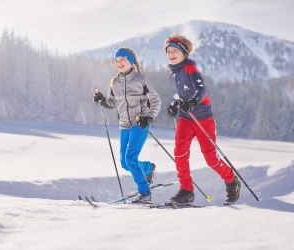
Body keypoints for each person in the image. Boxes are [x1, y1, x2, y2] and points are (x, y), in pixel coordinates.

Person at [164, 34, 241, 206]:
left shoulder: (190, 68)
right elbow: (180, 95)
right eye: (168, 51)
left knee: (211, 158)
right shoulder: (172, 74)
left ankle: (232, 180)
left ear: (184, 52)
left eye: (174, 50)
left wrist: (192, 102)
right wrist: (174, 105)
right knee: (179, 153)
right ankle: (186, 191)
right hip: (185, 118)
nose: (170, 54)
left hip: (203, 118)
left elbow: (201, 90)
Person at [93, 47, 161, 203]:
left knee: (130, 159)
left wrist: (148, 117)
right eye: (116, 60)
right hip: (124, 125)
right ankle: (148, 168)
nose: (119, 62)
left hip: (140, 123)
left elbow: (156, 100)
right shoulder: (114, 82)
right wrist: (102, 100)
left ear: (130, 61)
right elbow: (112, 102)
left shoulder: (141, 79)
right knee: (125, 163)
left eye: (123, 59)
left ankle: (144, 193)